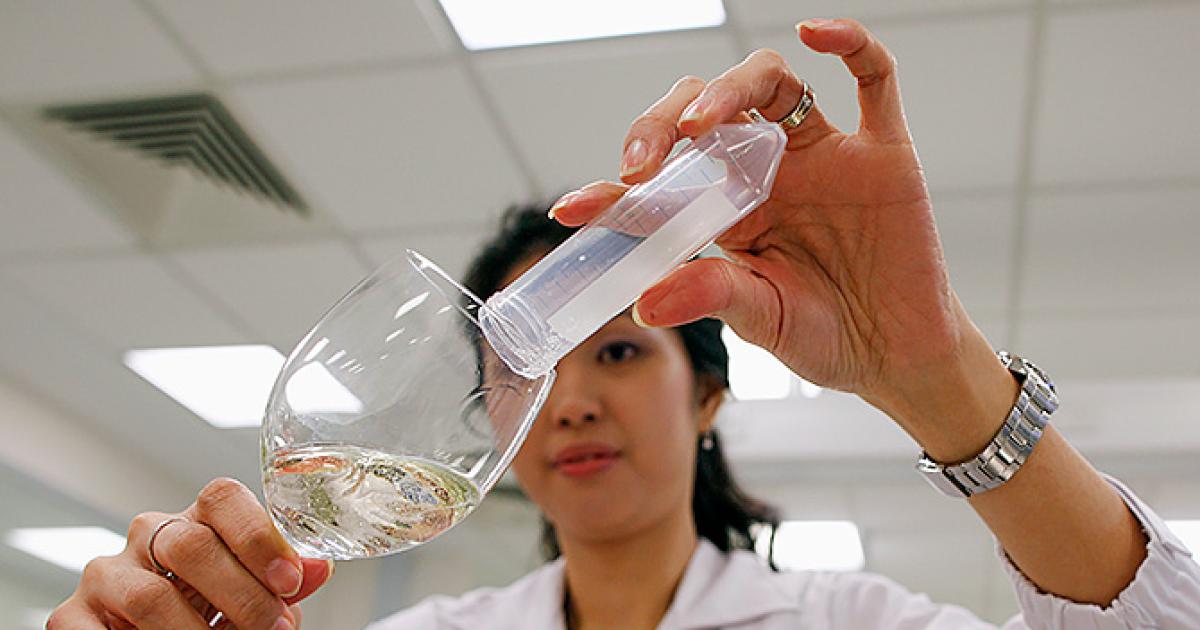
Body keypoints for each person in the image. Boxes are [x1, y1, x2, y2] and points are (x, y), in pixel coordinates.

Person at [50, 17, 1200, 630]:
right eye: (523, 365)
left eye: (616, 349)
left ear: (709, 396)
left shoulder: (850, 618)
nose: (571, 400)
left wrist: (935, 370)